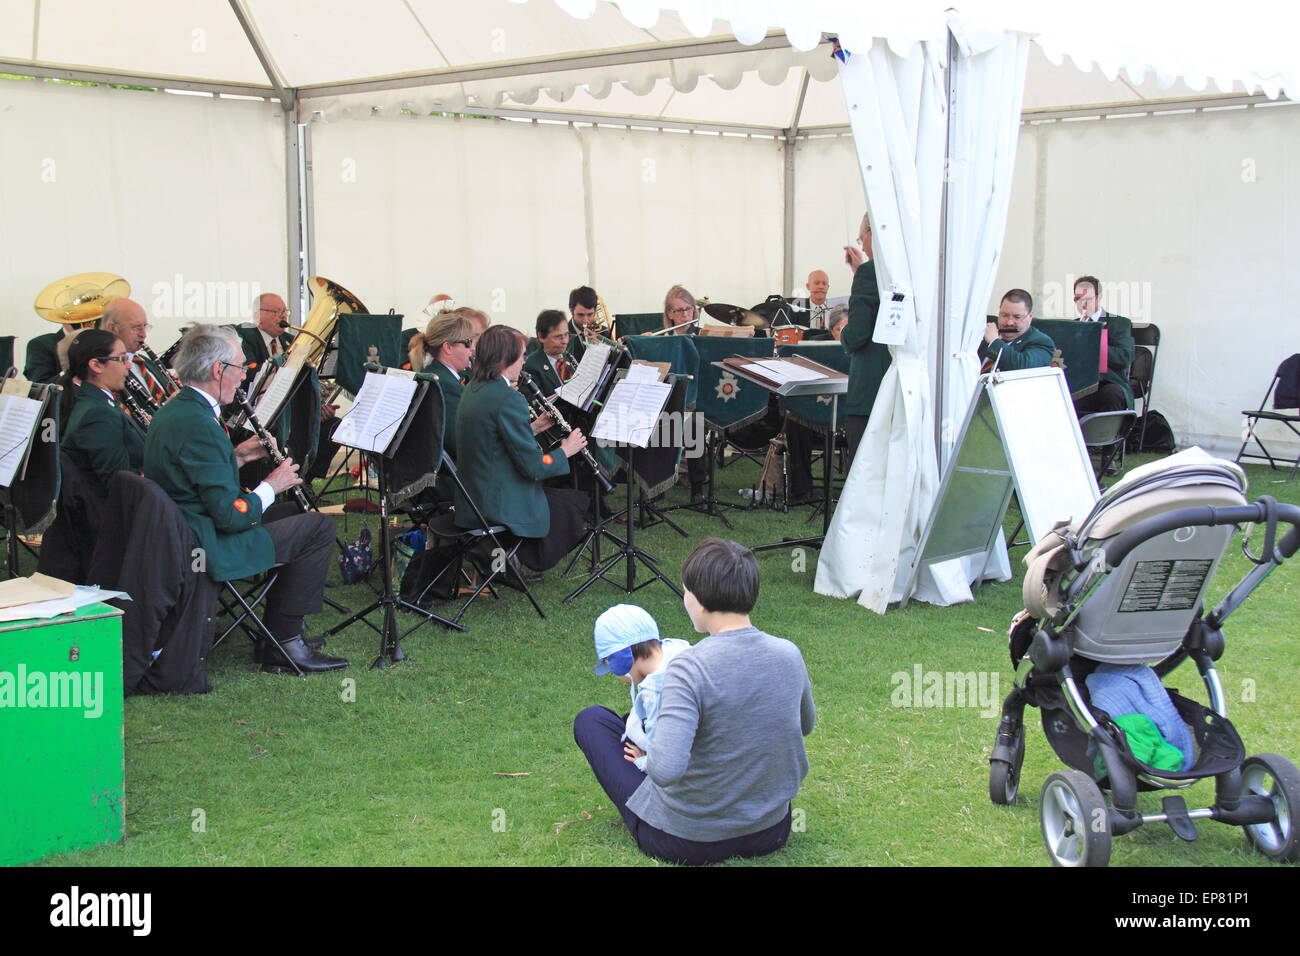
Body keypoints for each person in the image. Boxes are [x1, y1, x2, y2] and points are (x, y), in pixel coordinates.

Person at [574, 537, 815, 865]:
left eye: (686, 590)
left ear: (699, 601)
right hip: (770, 829)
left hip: (687, 839)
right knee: (627, 717)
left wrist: (651, 752)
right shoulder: (788, 653)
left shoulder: (688, 666)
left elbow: (665, 770)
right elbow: (805, 724)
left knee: (591, 720)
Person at [143, 324, 347, 674]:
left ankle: (280, 631)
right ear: (217, 370)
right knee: (317, 528)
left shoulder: (181, 409)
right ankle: (284, 642)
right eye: (241, 368)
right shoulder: (198, 423)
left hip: (186, 527)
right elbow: (231, 517)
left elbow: (192, 474)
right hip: (206, 540)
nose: (243, 377)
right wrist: (271, 483)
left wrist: (235, 456)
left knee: (292, 511)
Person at [454, 325, 590, 571]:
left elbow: (493, 439)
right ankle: (521, 559)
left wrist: (534, 428)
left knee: (560, 500)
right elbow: (535, 468)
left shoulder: (473, 388)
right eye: (522, 356)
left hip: (472, 495)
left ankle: (508, 558)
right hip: (495, 502)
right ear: (506, 360)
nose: (525, 361)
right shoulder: (509, 398)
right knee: (573, 504)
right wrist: (565, 451)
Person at [590, 604, 691, 772]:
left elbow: (662, 765)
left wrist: (642, 761)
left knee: (590, 719)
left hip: (683, 783)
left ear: (620, 660)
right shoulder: (681, 651)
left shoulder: (655, 692)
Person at [60, 330, 145, 498]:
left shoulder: (98, 402)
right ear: (96, 365)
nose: (128, 365)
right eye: (122, 359)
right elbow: (120, 483)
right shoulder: (97, 414)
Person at [840, 212, 890, 465]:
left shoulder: (870, 272)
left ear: (873, 234)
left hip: (872, 384)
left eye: (861, 239)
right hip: (906, 383)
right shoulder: (914, 268)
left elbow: (858, 334)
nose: (862, 245)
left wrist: (844, 336)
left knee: (864, 466)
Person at [1072, 275, 1135, 415]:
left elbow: (1125, 357)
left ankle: (1106, 436)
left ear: (1099, 298)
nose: (1083, 304)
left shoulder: (1119, 323)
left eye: (1087, 299)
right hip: (1080, 384)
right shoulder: (1073, 325)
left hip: (1107, 383)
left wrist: (1094, 342)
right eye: (1078, 299)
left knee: (1111, 395)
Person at [99, 298, 173, 408]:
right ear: (112, 328)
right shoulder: (107, 371)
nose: (143, 335)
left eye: (145, 327)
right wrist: (168, 411)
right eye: (136, 327)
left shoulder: (146, 362)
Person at [979, 289, 1056, 371]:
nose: (1009, 323)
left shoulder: (1041, 342)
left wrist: (994, 342)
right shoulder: (986, 330)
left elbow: (1024, 366)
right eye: (1004, 315)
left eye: (1017, 317)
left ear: (1030, 317)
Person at [236, 292, 294, 377]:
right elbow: (249, 373)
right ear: (257, 316)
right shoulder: (244, 336)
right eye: (276, 311)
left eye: (285, 311)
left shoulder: (291, 340)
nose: (283, 316)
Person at [523, 309, 574, 396]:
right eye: (558, 337)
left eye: (566, 335)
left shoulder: (568, 356)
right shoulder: (531, 366)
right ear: (541, 337)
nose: (565, 341)